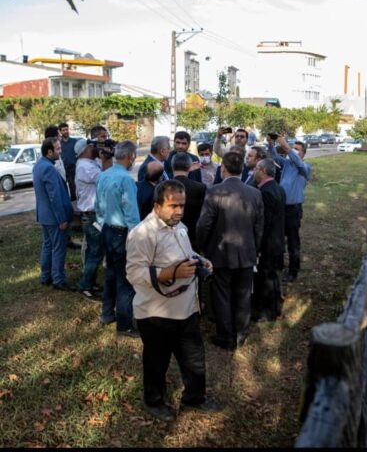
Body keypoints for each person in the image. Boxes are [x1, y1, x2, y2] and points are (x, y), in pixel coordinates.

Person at [126, 179, 221, 422]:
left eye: (182, 205)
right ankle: (154, 401)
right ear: (157, 206)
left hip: (186, 309)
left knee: (194, 358)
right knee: (157, 362)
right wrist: (172, 274)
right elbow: (134, 273)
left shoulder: (179, 226)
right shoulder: (142, 234)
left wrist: (199, 259)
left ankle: (195, 398)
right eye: (172, 206)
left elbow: (184, 253)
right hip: (157, 313)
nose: (178, 211)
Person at [196, 152, 263, 350]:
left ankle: (226, 336)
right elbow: (260, 226)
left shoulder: (215, 191)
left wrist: (202, 247)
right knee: (243, 294)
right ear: (242, 169)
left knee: (222, 294)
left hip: (221, 251)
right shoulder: (255, 193)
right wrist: (256, 249)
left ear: (222, 168)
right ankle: (241, 333)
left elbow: (203, 224)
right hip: (247, 252)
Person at [96, 141, 141, 337]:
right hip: (121, 232)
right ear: (131, 156)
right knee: (125, 279)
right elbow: (132, 214)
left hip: (106, 229)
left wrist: (102, 224)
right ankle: (124, 324)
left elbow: (97, 205)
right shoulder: (126, 180)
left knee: (111, 274)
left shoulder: (104, 175)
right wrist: (136, 239)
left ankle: (107, 314)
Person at [268, 135, 312, 283]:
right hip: (281, 208)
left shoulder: (305, 167)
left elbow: (298, 162)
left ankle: (294, 270)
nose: (294, 151)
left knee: (293, 241)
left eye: (297, 149)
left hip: (293, 209)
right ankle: (278, 264)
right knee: (279, 236)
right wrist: (271, 144)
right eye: (293, 148)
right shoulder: (287, 164)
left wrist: (287, 148)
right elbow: (274, 156)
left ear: (303, 154)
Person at [33, 137, 75, 291]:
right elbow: (54, 196)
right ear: (49, 152)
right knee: (58, 248)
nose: (60, 151)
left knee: (47, 245)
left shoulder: (39, 165)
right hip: (54, 217)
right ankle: (58, 279)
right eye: (58, 149)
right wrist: (62, 219)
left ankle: (45, 276)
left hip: (44, 215)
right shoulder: (49, 168)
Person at [74, 138, 112, 300]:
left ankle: (90, 282)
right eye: (92, 146)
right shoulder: (84, 166)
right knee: (96, 252)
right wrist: (105, 159)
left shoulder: (90, 163)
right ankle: (85, 285)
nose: (95, 148)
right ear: (84, 150)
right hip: (91, 216)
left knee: (94, 251)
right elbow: (106, 178)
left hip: (95, 214)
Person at [250, 159, 286, 322]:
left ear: (263, 170)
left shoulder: (265, 192)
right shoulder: (278, 188)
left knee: (266, 278)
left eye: (256, 168)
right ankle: (275, 307)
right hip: (277, 240)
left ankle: (268, 311)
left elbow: (264, 223)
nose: (253, 171)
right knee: (272, 277)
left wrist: (258, 246)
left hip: (268, 243)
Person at [171, 153, 207, 249]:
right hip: (192, 238)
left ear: (172, 166)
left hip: (168, 238)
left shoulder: (163, 187)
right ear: (189, 167)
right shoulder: (200, 188)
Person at [58, 122, 81, 201]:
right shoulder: (59, 144)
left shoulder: (74, 142)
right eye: (63, 130)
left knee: (74, 188)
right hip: (63, 169)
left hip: (74, 168)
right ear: (60, 132)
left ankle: (75, 203)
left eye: (66, 129)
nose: (65, 131)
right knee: (63, 187)